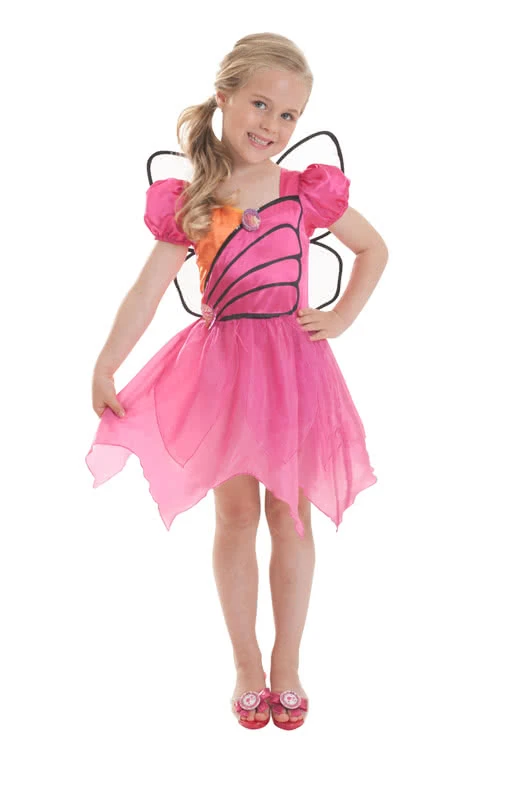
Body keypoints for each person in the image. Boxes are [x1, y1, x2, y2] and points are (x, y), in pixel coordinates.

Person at [85, 31, 388, 731]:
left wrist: (341, 316)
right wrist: (106, 363)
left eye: (288, 115)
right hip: (223, 374)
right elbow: (146, 292)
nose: (271, 125)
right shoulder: (194, 200)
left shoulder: (303, 191)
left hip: (293, 370)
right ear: (224, 97)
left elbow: (374, 248)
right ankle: (247, 663)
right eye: (259, 104)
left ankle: (288, 662)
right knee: (236, 517)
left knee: (290, 515)